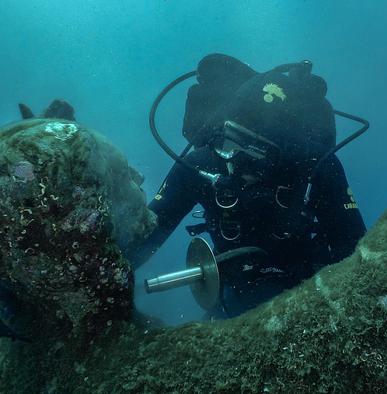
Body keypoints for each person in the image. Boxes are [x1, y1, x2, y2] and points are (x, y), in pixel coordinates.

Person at [133, 54, 366, 317]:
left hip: (310, 292)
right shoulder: (201, 165)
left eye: (254, 155)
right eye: (230, 143)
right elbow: (145, 236)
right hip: (233, 293)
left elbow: (354, 248)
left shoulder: (317, 164)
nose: (233, 157)